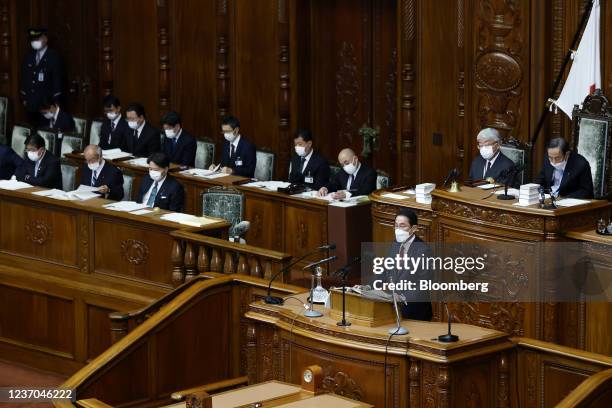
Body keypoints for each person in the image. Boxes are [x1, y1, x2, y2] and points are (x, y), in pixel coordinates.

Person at [389, 209, 432, 321]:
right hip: (394, 308)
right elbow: (386, 271)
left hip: (415, 310)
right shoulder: (395, 245)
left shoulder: (423, 250)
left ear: (414, 228)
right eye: (396, 225)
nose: (398, 230)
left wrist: (402, 298)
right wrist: (368, 287)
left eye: (402, 226)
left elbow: (424, 283)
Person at [19, 28, 62, 126]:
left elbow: (57, 83)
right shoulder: (29, 57)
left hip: (46, 107)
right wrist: (24, 99)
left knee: (45, 135)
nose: (35, 42)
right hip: (31, 106)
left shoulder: (53, 57)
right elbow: (25, 79)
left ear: (45, 39)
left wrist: (55, 104)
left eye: (37, 39)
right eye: (33, 39)